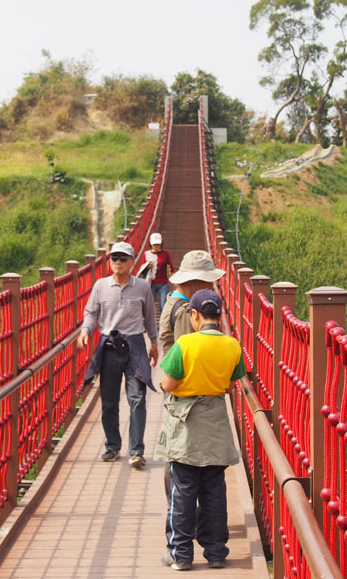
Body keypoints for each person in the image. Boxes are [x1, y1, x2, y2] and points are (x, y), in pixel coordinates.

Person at [156, 289, 245, 571]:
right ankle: (216, 552)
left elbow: (167, 384)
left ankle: (181, 554)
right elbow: (231, 386)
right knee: (214, 491)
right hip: (216, 424)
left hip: (188, 427)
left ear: (194, 315)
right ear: (219, 314)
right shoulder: (233, 346)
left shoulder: (185, 344)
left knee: (183, 492)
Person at [77, 241, 159, 468]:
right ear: (110, 261)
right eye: (115, 258)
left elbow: (150, 317)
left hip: (135, 348)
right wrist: (85, 330)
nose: (118, 262)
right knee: (109, 401)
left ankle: (136, 451)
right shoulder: (100, 286)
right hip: (109, 348)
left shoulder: (142, 287)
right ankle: (112, 446)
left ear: (133, 261)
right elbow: (91, 313)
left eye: (123, 258)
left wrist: (154, 343)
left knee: (137, 399)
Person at [159, 250, 225, 356]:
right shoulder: (184, 311)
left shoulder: (174, 299)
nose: (211, 286)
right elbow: (188, 354)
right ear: (194, 281)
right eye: (207, 281)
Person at [147, 232, 174, 315]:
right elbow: (141, 269)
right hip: (151, 283)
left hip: (163, 283)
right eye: (154, 244)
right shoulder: (147, 254)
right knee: (149, 306)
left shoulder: (166, 254)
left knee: (164, 306)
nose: (156, 246)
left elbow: (171, 267)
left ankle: (163, 326)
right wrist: (147, 266)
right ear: (151, 244)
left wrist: (174, 281)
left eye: (158, 244)